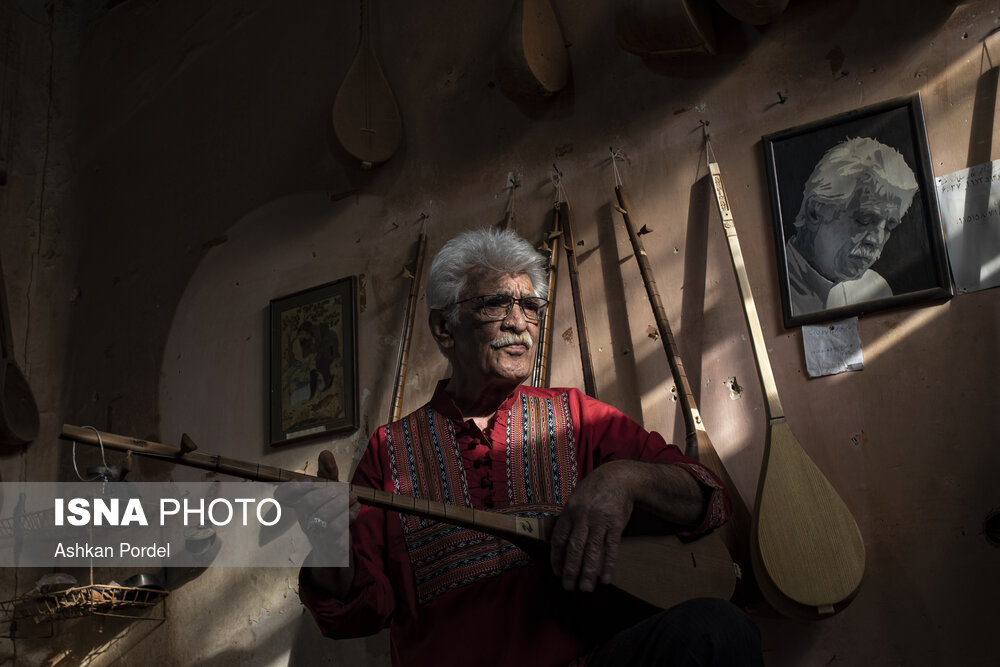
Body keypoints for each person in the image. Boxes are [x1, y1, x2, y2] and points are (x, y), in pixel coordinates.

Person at [277, 228, 763, 666]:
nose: (520, 324)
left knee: (717, 630)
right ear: (444, 329)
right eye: (495, 304)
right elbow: (355, 615)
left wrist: (624, 478)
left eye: (531, 308)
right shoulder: (390, 452)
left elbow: (706, 498)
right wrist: (327, 543)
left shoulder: (576, 417)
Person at [785, 136, 919, 316]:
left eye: (889, 227)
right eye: (864, 220)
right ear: (815, 212)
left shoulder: (875, 290)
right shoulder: (770, 288)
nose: (877, 240)